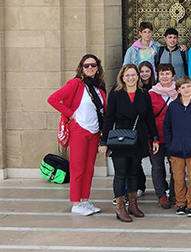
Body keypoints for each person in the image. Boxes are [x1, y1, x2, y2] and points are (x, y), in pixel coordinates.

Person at [99, 64, 160, 222]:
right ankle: (120, 208)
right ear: (122, 77)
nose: (131, 78)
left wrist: (154, 138)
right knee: (121, 174)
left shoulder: (144, 94)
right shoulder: (116, 94)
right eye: (127, 75)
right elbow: (109, 118)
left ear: (138, 77)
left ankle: (133, 205)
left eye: (133, 75)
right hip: (120, 139)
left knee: (134, 173)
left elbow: (149, 119)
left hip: (137, 139)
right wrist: (103, 141)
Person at [48, 54, 106, 216]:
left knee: (88, 169)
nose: (90, 68)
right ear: (81, 67)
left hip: (94, 132)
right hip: (79, 131)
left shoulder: (99, 87)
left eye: (93, 65)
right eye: (86, 65)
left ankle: (85, 199)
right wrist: (70, 114)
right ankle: (76, 202)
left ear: (97, 67)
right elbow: (53, 99)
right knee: (77, 168)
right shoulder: (75, 84)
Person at [164, 75, 191, 217]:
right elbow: (167, 127)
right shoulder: (173, 106)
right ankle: (181, 203)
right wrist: (170, 144)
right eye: (183, 87)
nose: (186, 89)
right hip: (176, 149)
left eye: (188, 86)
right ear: (178, 90)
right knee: (178, 178)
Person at [148, 63, 177, 209]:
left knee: (175, 167)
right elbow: (148, 118)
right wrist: (152, 138)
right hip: (156, 138)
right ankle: (161, 195)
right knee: (157, 167)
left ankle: (173, 193)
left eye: (167, 73)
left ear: (173, 75)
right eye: (161, 74)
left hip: (174, 137)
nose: (164, 76)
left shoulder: (179, 92)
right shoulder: (152, 94)